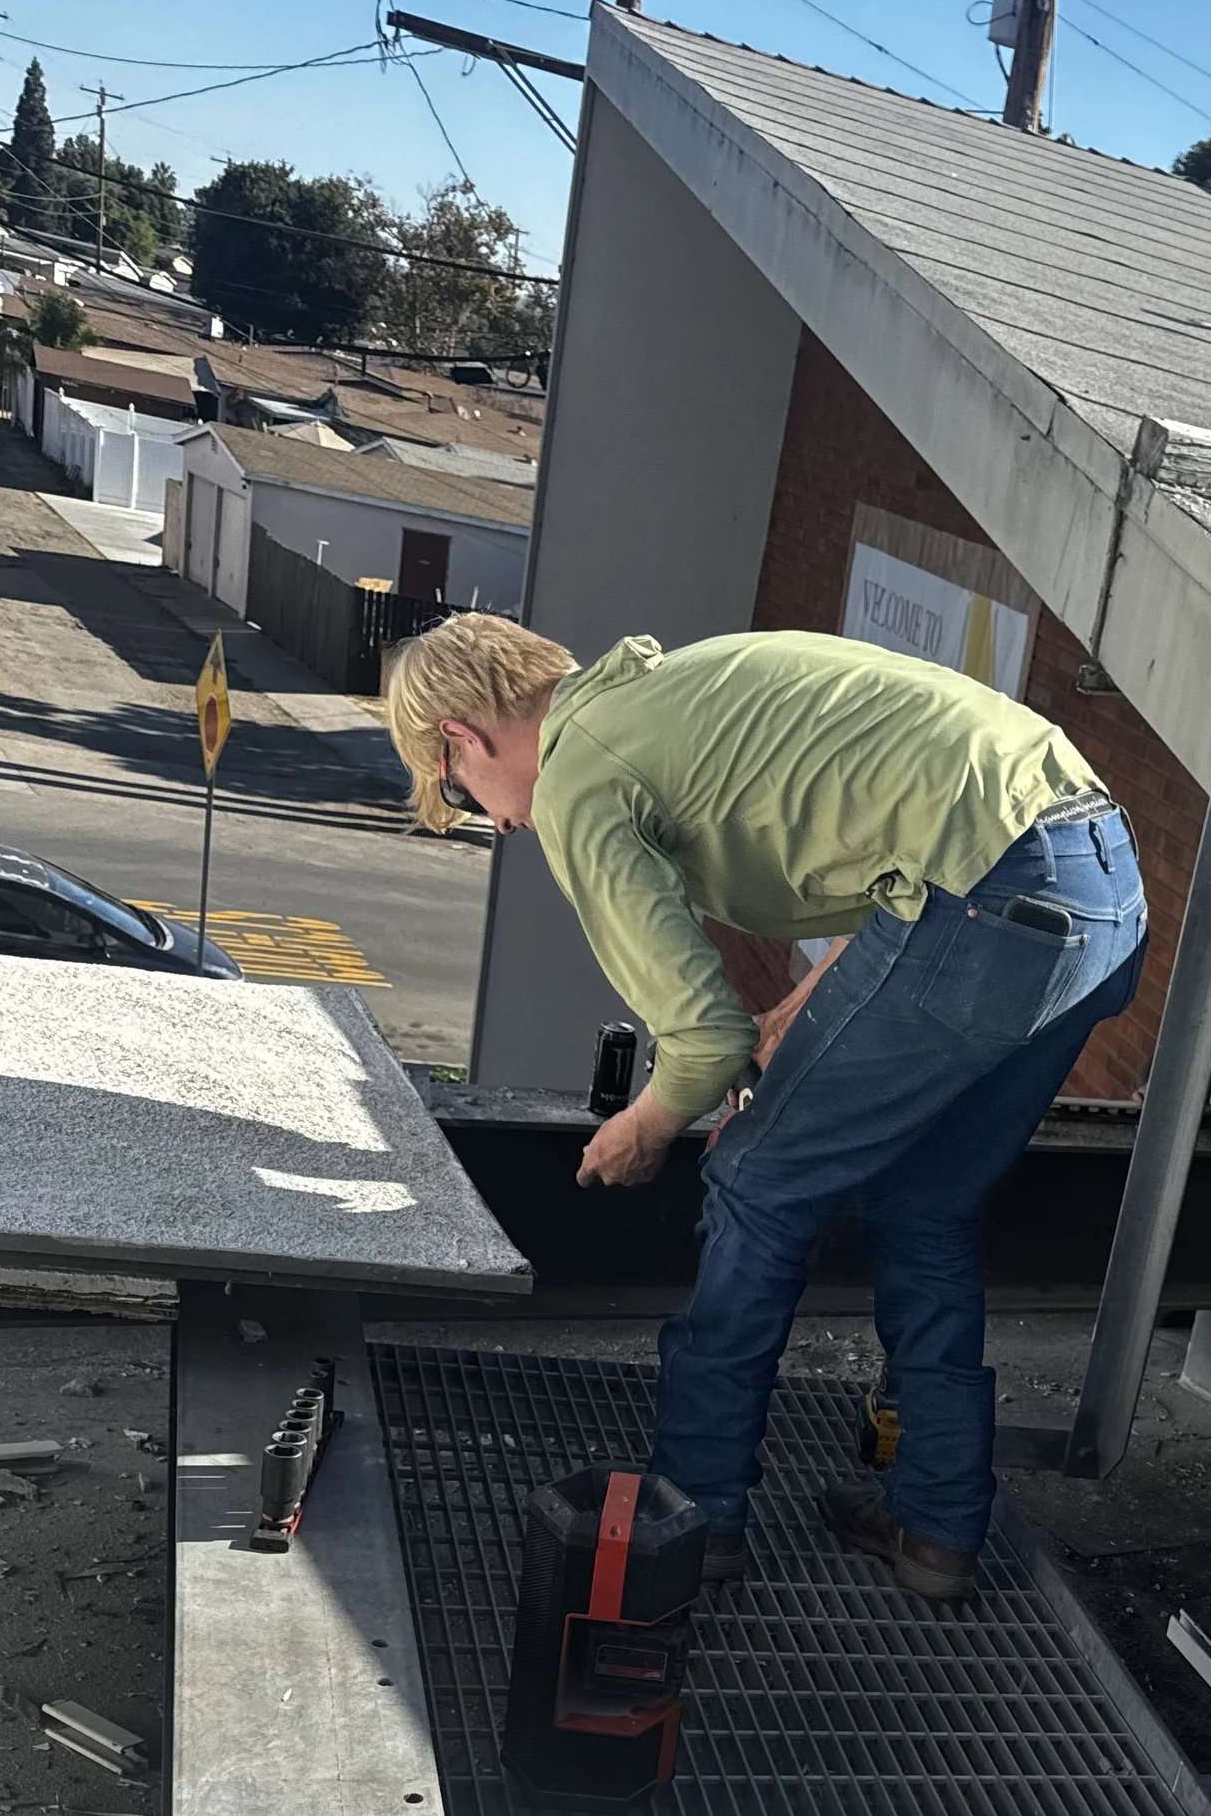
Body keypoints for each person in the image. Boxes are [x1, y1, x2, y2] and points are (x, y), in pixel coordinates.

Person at [386, 617, 1147, 1606]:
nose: (496, 822)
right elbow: (898, 856)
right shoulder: (676, 691)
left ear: (462, 738)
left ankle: (692, 1519)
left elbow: (702, 1039)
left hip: (988, 896)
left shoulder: (579, 779)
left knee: (753, 1178)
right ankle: (935, 1527)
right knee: (923, 1207)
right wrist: (799, 1011)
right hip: (1099, 885)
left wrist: (640, 1128)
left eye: (456, 791)